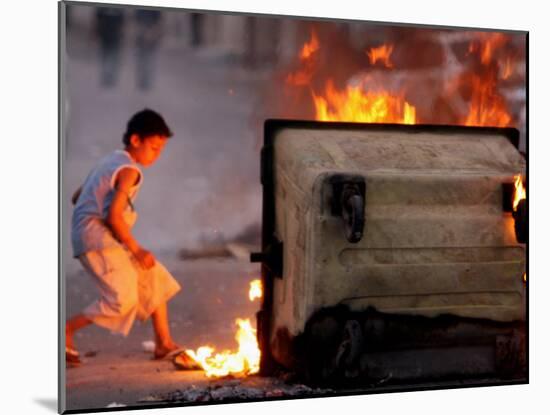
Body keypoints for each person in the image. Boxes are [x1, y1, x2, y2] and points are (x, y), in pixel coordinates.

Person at [66, 109, 196, 369]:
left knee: (152, 275)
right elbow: (114, 217)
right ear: (136, 140)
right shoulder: (129, 171)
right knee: (122, 300)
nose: (156, 155)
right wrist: (136, 250)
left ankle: (164, 343)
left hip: (95, 235)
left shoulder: (109, 161)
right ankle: (65, 330)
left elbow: (77, 196)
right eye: (154, 148)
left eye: (161, 149)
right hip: (97, 240)